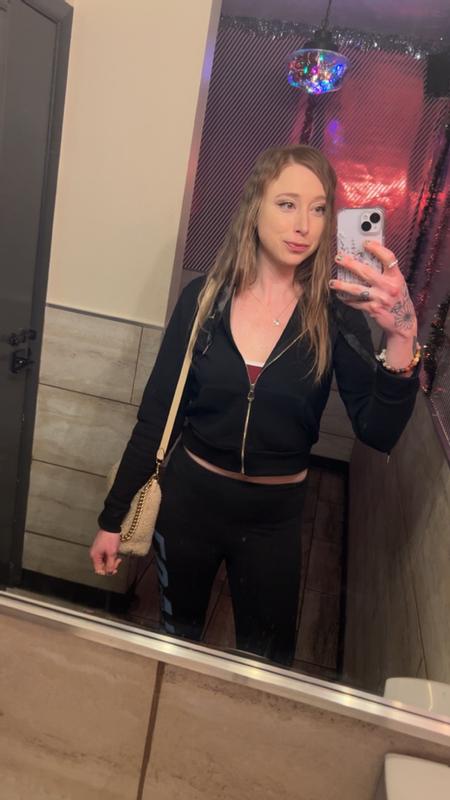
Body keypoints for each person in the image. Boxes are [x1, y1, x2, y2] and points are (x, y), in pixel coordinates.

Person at [89, 144, 421, 667]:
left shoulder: (337, 316)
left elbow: (378, 431)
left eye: (318, 209)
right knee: (177, 647)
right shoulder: (204, 299)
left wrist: (402, 335)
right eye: (287, 204)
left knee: (267, 666)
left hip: (274, 520)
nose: (304, 225)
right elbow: (156, 419)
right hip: (189, 505)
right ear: (255, 207)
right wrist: (112, 518)